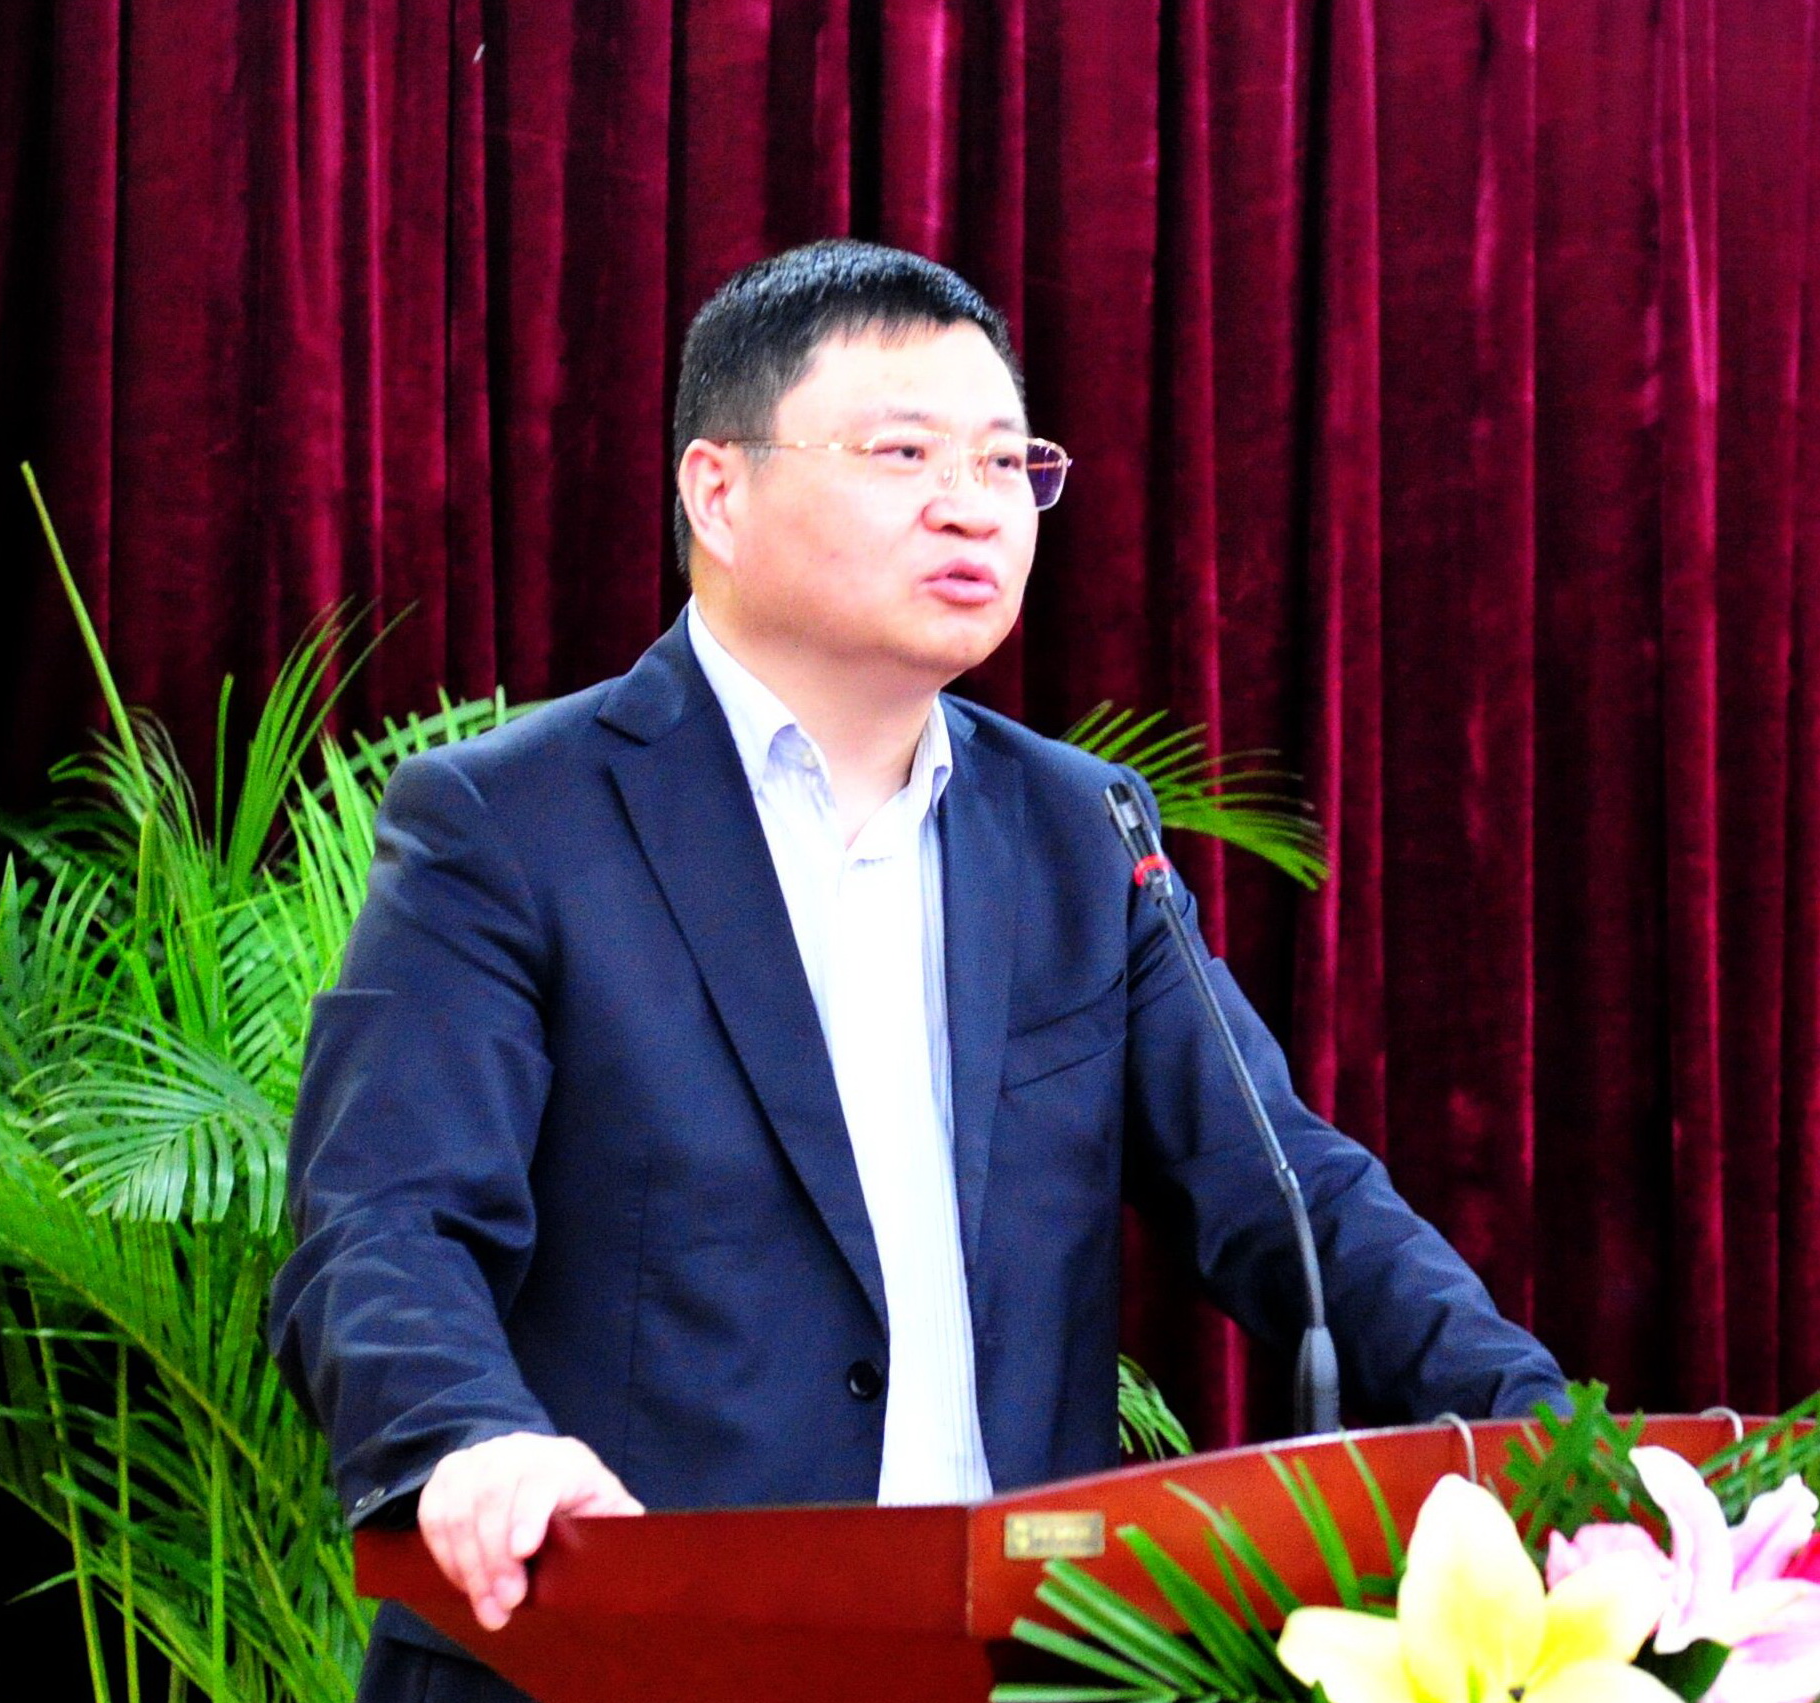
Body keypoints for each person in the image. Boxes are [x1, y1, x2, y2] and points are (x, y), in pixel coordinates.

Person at [269, 238, 1567, 1703]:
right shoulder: (513, 821)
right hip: (615, 1655)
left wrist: (1541, 1439)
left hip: (1008, 1662)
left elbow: (1289, 1195)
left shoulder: (1083, 831)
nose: (973, 504)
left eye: (1008, 463)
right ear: (718, 491)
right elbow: (385, 1215)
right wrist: (467, 1440)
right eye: (903, 454)